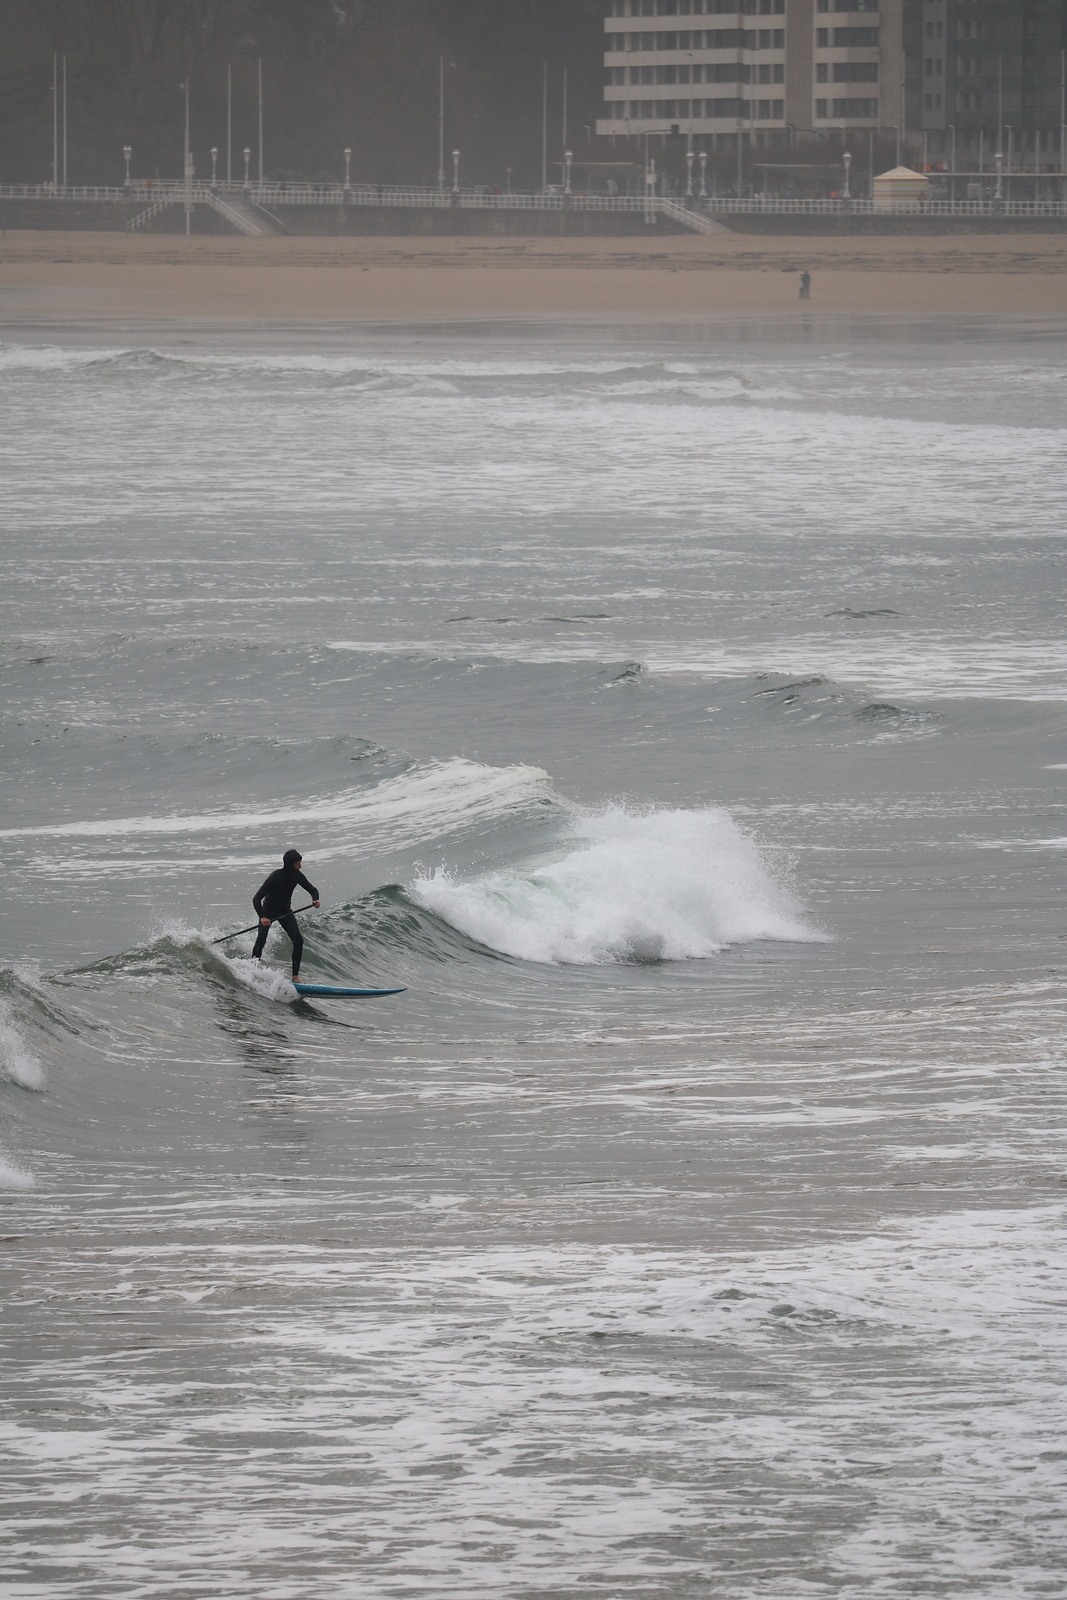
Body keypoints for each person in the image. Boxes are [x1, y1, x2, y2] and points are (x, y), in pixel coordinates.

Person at [252, 849, 320, 979]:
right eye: (297, 864)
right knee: (261, 941)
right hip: (268, 911)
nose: (300, 866)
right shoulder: (274, 877)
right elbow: (256, 899)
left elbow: (313, 889)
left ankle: (295, 977)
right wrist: (262, 917)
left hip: (285, 911)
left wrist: (315, 899)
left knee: (298, 940)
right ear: (290, 864)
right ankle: (252, 971)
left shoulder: (297, 875)